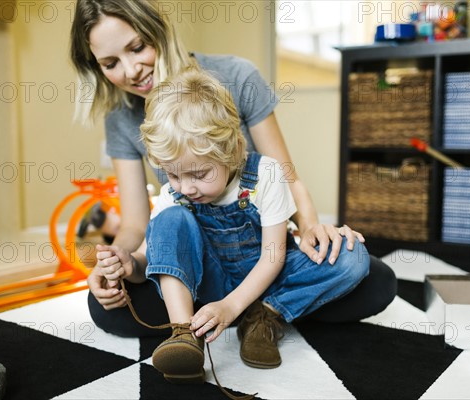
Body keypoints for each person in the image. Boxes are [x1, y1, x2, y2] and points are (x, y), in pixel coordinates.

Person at [69, 0, 397, 338]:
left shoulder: (236, 76)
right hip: (200, 268)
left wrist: (312, 227)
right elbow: (137, 223)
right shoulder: (121, 118)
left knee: (375, 280)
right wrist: (120, 263)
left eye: (137, 48)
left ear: (159, 31)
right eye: (110, 63)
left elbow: (286, 175)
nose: (131, 70)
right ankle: (244, 312)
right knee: (105, 309)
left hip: (265, 256)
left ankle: (255, 307)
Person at [97, 68, 371, 381]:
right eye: (173, 175)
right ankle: (185, 333)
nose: (185, 188)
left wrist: (231, 308)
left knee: (353, 257)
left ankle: (265, 314)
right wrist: (128, 264)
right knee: (170, 218)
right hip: (211, 282)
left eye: (199, 175)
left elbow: (274, 257)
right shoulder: (173, 195)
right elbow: (152, 259)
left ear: (232, 152)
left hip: (269, 276)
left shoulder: (264, 175)